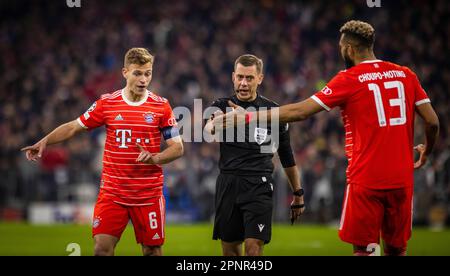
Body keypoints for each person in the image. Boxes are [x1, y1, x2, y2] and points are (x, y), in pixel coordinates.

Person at [213, 21, 440, 256]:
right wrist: (427, 150)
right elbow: (432, 122)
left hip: (367, 178)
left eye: (341, 47)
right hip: (402, 178)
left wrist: (248, 118)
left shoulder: (350, 78)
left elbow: (301, 111)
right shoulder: (406, 74)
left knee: (365, 249)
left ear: (349, 49)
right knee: (396, 249)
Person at [21, 48, 184, 256]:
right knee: (101, 250)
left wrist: (156, 158)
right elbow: (73, 126)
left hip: (148, 195)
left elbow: (178, 148)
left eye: (148, 73)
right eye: (138, 73)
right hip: (113, 194)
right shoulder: (107, 103)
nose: (143, 79)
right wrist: (45, 141)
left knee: (152, 251)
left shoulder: (161, 106)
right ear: (125, 72)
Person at [204, 54, 305, 256]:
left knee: (253, 248)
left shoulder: (273, 111)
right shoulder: (221, 106)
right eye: (240, 77)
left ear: (260, 78)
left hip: (259, 184)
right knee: (230, 251)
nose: (243, 83)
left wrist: (298, 193)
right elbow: (208, 131)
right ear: (233, 77)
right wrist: (216, 123)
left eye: (249, 78)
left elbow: (286, 155)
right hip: (228, 183)